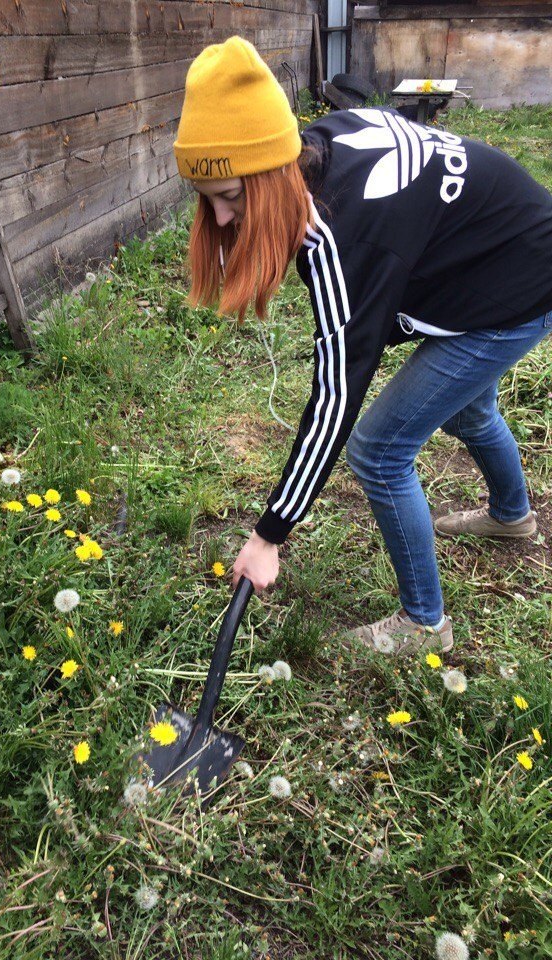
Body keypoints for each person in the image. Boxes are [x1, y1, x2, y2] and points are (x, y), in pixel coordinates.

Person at [172, 36, 552, 654]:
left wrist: (269, 535)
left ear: (273, 174)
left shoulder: (337, 236)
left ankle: (424, 624)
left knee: (378, 448)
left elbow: (337, 395)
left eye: (232, 198)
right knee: (468, 406)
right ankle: (512, 517)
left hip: (521, 280)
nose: (217, 220)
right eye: (207, 200)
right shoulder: (316, 147)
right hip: (508, 246)